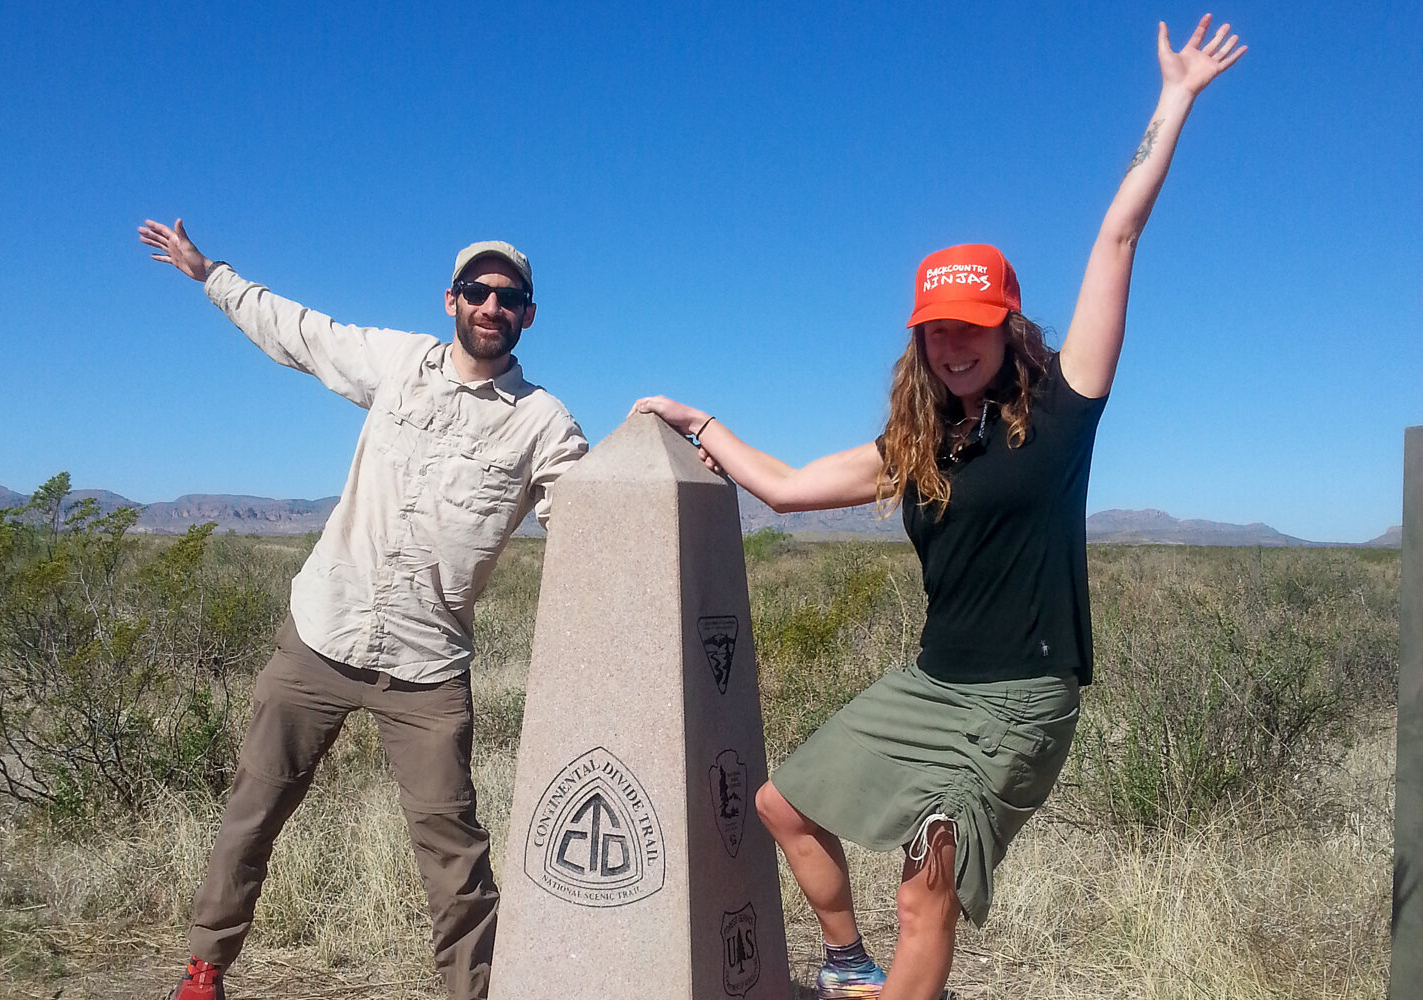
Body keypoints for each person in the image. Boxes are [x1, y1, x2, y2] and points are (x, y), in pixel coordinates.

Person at [634, 16, 1245, 1000]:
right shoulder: (916, 447)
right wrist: (703, 421)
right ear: (921, 341)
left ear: (1008, 327)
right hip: (932, 683)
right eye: (937, 332)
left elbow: (1117, 234)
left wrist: (1172, 101)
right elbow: (787, 490)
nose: (955, 346)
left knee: (927, 889)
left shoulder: (1062, 410)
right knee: (782, 802)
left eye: (972, 327)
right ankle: (846, 964)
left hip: (1018, 697)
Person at [137, 219, 587, 1000]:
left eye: (507, 296)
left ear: (527, 315)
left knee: (454, 851)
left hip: (426, 668)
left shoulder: (543, 423)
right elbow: (301, 333)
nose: (490, 305)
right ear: (451, 300)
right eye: (477, 291)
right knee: (253, 808)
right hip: (321, 633)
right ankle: (204, 970)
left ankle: (471, 993)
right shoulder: (399, 362)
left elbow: (592, 515)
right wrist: (211, 274)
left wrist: (676, 469)